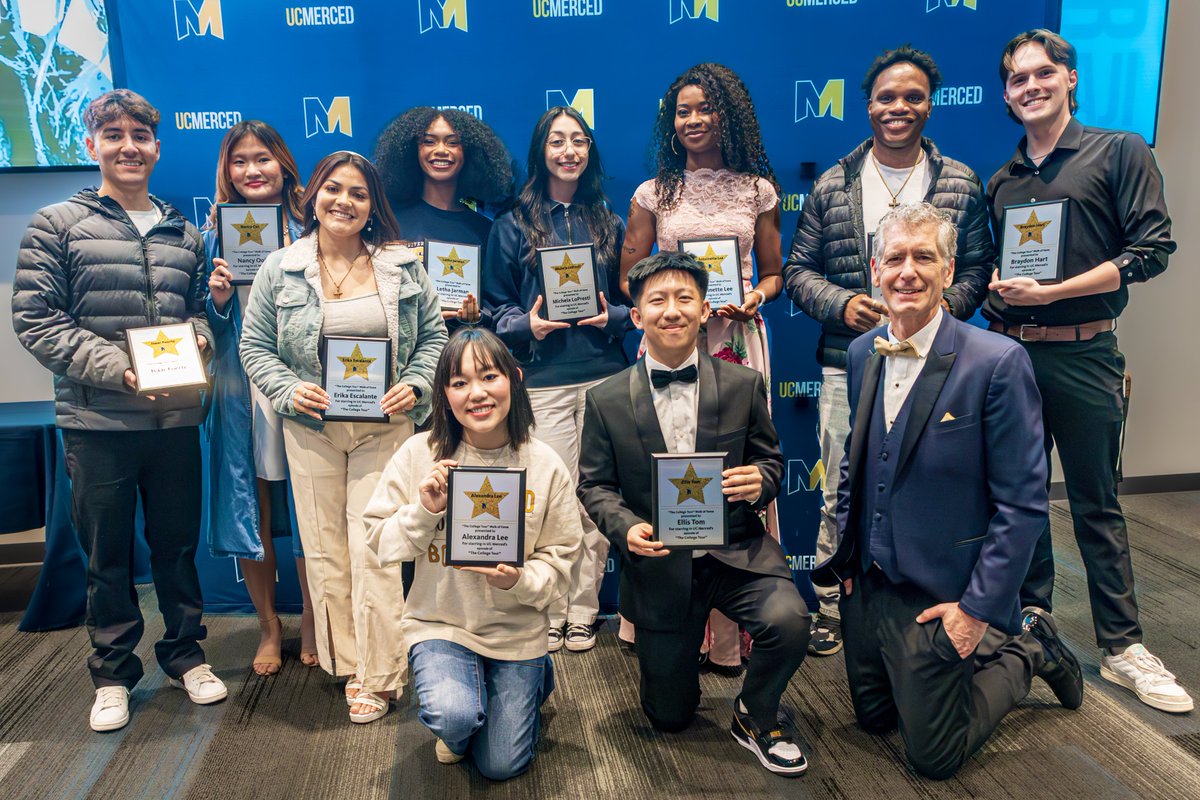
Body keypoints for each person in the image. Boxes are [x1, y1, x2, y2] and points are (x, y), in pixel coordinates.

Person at [816, 202, 1083, 780]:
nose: (906, 271)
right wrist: (845, 562)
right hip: (873, 584)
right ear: (873, 269)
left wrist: (975, 610)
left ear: (949, 269)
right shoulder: (863, 352)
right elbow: (859, 468)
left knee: (932, 757)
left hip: (946, 589)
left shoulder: (997, 361)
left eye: (923, 258)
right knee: (872, 720)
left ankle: (1029, 648)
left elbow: (1022, 505)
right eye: (894, 258)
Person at [986, 30, 1191, 713]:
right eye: (1018, 79)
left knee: (1097, 504)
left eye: (1044, 73)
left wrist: (1054, 293)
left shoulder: (1119, 150)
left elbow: (1153, 248)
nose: (1031, 86)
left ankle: (1123, 647)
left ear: (1070, 77)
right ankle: (1036, 623)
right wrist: (998, 290)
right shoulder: (1004, 180)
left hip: (1084, 350)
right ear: (1007, 93)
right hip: (1014, 353)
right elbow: (1004, 276)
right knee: (1023, 498)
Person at [12, 89, 226, 732]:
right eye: (114, 135)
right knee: (105, 556)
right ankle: (111, 672)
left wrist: (202, 342)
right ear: (93, 146)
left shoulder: (185, 234)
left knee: (177, 547)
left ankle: (186, 655)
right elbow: (36, 320)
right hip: (97, 423)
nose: (128, 146)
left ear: (157, 147)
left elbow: (198, 321)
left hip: (176, 423)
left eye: (140, 135)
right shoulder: (56, 224)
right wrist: (122, 372)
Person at [782, 45, 993, 657]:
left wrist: (938, 312)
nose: (898, 107)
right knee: (839, 486)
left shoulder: (959, 182)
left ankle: (918, 595)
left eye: (913, 96)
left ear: (930, 105)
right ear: (867, 104)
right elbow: (798, 271)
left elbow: (977, 267)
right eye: (886, 97)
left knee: (928, 482)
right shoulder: (833, 184)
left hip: (941, 365)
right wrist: (841, 306)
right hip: (851, 360)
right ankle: (830, 602)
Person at [577, 251, 810, 776]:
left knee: (790, 621)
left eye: (685, 298)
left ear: (705, 310)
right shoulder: (606, 399)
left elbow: (770, 460)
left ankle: (756, 712)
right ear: (636, 316)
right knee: (669, 717)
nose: (672, 310)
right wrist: (625, 527)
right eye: (657, 300)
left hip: (737, 555)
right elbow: (594, 485)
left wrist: (761, 481)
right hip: (661, 565)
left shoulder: (743, 384)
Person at [239, 150, 448, 723]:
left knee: (375, 548)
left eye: (358, 193)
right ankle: (350, 663)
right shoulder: (280, 267)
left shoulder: (403, 267)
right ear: (313, 197)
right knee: (327, 554)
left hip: (387, 429)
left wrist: (416, 384)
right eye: (333, 189)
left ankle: (379, 675)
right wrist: (286, 391)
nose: (344, 202)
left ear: (372, 206)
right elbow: (254, 347)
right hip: (311, 431)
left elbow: (433, 338)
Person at [620, 62, 784, 673]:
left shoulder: (757, 191)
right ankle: (671, 624)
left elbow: (771, 272)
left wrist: (754, 298)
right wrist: (670, 297)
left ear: (728, 115)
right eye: (683, 111)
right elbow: (627, 278)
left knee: (736, 470)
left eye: (705, 109)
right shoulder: (651, 195)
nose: (693, 120)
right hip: (671, 340)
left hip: (737, 340)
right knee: (667, 465)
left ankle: (730, 632)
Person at [364, 328, 582, 780]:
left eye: (489, 376)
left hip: (516, 631)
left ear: (515, 380)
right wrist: (424, 511)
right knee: (455, 719)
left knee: (500, 765)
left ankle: (534, 676)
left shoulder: (544, 463)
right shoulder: (417, 455)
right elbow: (379, 543)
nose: (476, 393)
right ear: (444, 396)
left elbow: (564, 561)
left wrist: (518, 580)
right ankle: (463, 710)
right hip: (441, 624)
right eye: (459, 382)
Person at [483, 106, 632, 653]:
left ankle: (584, 609)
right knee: (549, 498)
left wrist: (608, 317)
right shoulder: (511, 224)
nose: (568, 151)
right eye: (557, 142)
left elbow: (630, 306)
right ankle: (548, 604)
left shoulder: (610, 223)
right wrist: (530, 325)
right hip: (541, 380)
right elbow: (495, 311)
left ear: (589, 152)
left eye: (578, 142)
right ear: (540, 152)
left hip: (605, 377)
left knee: (596, 496)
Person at [202, 120, 316, 675]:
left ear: (284, 164)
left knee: (314, 508)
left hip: (303, 387)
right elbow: (199, 327)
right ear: (227, 171)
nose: (253, 170)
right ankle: (269, 627)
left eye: (263, 158)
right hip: (240, 392)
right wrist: (219, 300)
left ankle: (316, 619)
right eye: (240, 161)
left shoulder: (313, 227)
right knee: (256, 509)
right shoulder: (211, 235)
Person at [374, 107, 514, 329]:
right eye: (429, 141)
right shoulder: (389, 221)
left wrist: (477, 316)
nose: (440, 150)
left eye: (452, 142)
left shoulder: (485, 230)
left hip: (463, 355)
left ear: (468, 152)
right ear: (412, 151)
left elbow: (497, 307)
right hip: (405, 355)